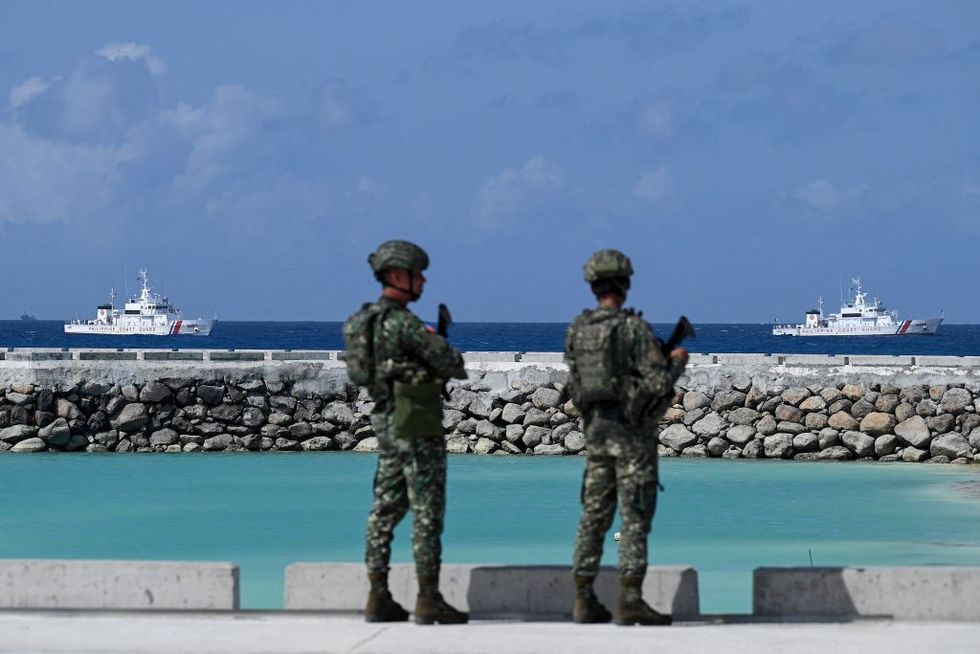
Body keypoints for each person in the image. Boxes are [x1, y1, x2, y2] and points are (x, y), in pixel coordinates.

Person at [343, 240, 469, 625]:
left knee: (384, 510)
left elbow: (359, 373)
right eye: (417, 274)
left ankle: (377, 595)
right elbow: (453, 364)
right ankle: (428, 597)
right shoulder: (404, 324)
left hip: (386, 424)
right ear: (398, 276)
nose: (423, 280)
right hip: (416, 424)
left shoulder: (363, 321)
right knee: (427, 511)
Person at [564, 249, 688, 626]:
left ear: (593, 286)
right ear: (626, 284)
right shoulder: (633, 329)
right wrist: (677, 361)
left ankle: (583, 598)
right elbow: (656, 382)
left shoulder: (578, 330)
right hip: (633, 436)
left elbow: (575, 384)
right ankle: (630, 599)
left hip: (597, 434)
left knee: (593, 516)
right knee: (633, 516)